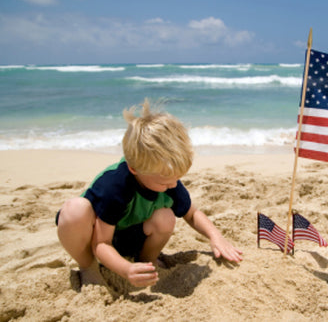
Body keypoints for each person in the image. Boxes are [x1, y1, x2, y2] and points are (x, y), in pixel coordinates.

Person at [56, 100, 243, 288]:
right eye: (164, 181)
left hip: (129, 237)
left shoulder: (168, 181)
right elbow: (101, 244)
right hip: (94, 237)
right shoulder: (115, 185)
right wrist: (125, 270)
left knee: (166, 217)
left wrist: (215, 236)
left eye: (176, 178)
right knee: (74, 210)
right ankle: (88, 267)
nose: (172, 185)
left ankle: (145, 262)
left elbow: (192, 214)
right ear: (134, 169)